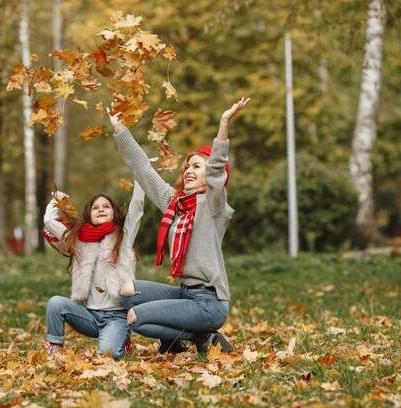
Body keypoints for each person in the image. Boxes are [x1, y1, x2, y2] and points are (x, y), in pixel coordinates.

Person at [107, 97, 251, 355]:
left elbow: (217, 168)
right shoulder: (175, 204)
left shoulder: (214, 205)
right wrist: (120, 129)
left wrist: (224, 122)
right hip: (185, 295)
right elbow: (142, 170)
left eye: (197, 166)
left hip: (210, 303)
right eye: (187, 166)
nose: (188, 170)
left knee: (135, 317)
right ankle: (201, 336)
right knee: (126, 291)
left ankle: (201, 335)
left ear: (214, 176)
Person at [42, 182, 144, 359]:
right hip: (88, 315)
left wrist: (140, 177)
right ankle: (55, 347)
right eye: (95, 207)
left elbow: (137, 207)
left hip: (117, 316)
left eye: (106, 206)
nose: (101, 209)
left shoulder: (124, 234)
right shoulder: (78, 239)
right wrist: (55, 202)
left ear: (113, 212)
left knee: (107, 355)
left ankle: (122, 339)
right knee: (55, 303)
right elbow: (49, 221)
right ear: (89, 214)